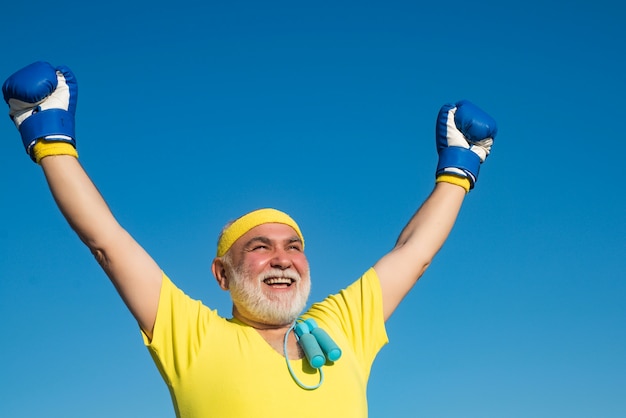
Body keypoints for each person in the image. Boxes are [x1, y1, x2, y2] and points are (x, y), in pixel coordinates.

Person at [2, 61, 497, 417]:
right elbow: (107, 241)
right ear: (222, 273)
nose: (282, 259)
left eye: (294, 247)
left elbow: (415, 253)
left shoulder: (343, 324)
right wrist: (50, 141)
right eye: (259, 248)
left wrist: (458, 171)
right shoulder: (192, 335)